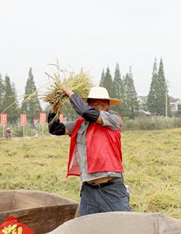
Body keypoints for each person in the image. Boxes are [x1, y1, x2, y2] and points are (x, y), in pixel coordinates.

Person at [48, 86, 130, 216]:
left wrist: (70, 93)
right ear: (89, 105)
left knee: (121, 228)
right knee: (85, 230)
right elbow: (55, 129)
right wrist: (55, 107)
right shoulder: (81, 123)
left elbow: (86, 112)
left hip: (111, 190)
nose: (99, 107)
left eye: (103, 104)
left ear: (108, 106)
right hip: (88, 190)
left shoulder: (113, 119)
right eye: (95, 104)